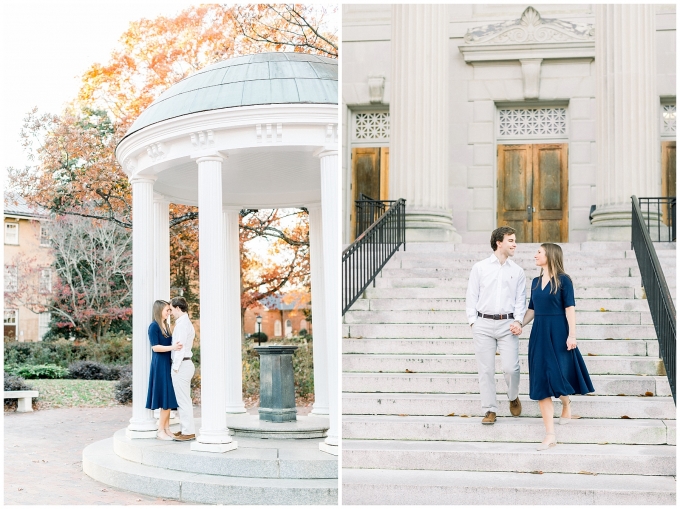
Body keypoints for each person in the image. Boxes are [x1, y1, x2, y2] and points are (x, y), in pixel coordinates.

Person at [518, 243, 594, 450]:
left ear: (550, 255)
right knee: (542, 381)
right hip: (539, 334)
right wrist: (520, 324)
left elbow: (570, 309)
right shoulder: (534, 282)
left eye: (539, 252)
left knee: (558, 376)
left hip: (559, 332)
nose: (535, 255)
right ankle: (550, 434)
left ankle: (566, 403)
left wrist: (572, 335)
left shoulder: (564, 281)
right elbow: (532, 309)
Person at [466, 226, 526, 425]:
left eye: (514, 240)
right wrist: (473, 322)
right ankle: (490, 409)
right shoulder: (480, 268)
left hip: (508, 325)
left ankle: (512, 396)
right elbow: (471, 295)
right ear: (498, 242)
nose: (515, 244)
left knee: (511, 368)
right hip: (483, 323)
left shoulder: (517, 271)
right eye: (511, 240)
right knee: (486, 370)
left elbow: (520, 300)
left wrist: (518, 320)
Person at [145, 300, 182, 441]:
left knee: (167, 398)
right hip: (159, 365)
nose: (169, 312)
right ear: (159, 310)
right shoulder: (153, 327)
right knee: (165, 397)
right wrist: (173, 348)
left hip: (167, 363)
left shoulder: (166, 326)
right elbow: (155, 347)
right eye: (167, 310)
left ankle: (167, 429)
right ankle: (161, 430)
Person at [169, 296, 196, 441]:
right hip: (185, 364)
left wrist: (175, 367)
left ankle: (188, 432)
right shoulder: (184, 323)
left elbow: (179, 348)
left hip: (182, 365)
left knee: (183, 400)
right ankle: (185, 429)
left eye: (172, 309)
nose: (171, 312)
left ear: (178, 308)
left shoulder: (182, 325)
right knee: (183, 400)